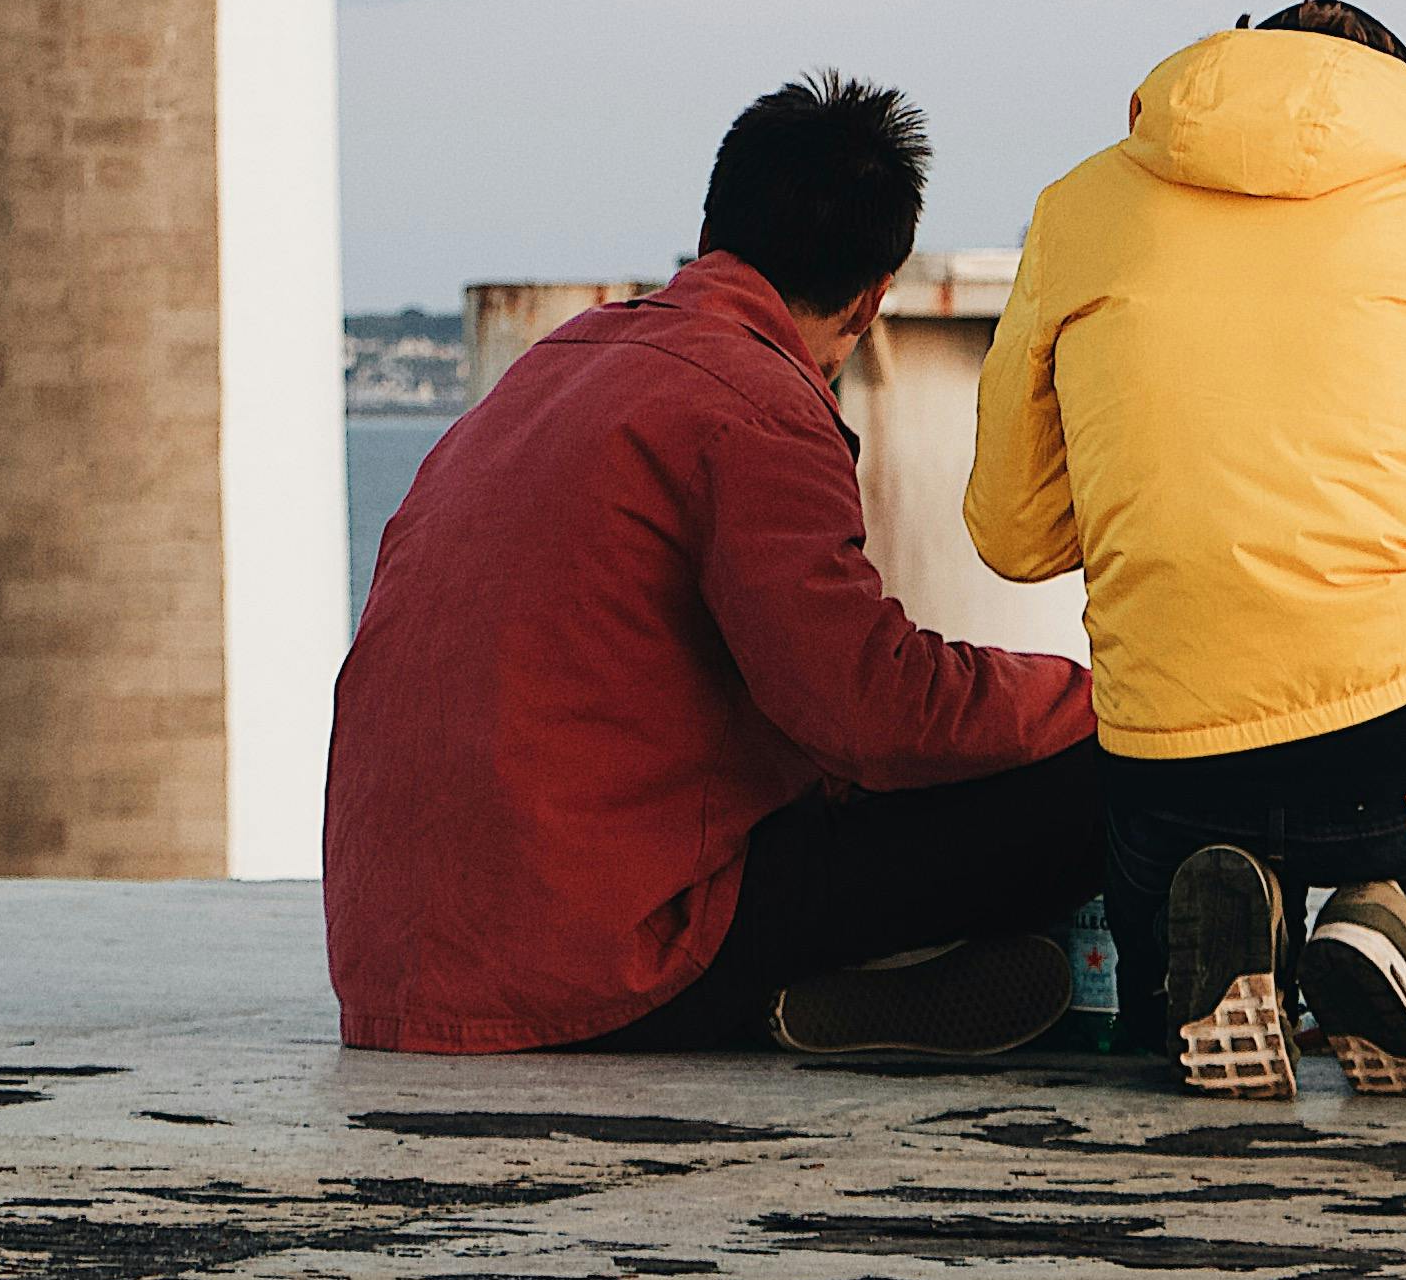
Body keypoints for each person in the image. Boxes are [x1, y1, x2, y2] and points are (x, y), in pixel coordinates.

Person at [325, 73, 1102, 1058]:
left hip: (394, 968)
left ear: (714, 230)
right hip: (592, 966)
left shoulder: (559, 364)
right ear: (870, 301)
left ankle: (832, 991)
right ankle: (801, 991)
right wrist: (1092, 701)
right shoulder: (752, 402)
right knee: (1102, 780)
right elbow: (870, 708)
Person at [964, 1, 1406, 1099]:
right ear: (1403, 103)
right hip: (1404, 764)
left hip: (1163, 776)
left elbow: (1013, 534)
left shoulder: (1075, 213)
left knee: (1150, 968)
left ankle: (1239, 923)